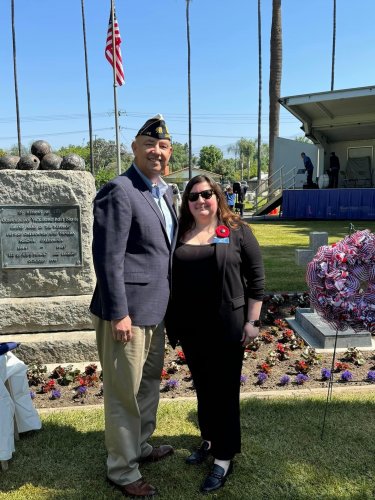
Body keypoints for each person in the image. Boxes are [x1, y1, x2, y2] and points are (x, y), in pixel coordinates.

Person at [90, 114, 178, 498]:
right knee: (123, 393)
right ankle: (123, 470)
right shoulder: (120, 190)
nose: (156, 151)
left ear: (169, 152)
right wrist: (118, 312)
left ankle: (139, 447)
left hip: (155, 310)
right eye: (149, 144)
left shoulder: (165, 193)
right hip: (126, 312)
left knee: (147, 387)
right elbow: (108, 258)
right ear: (135, 148)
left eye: (163, 146)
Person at [166, 175, 265, 494]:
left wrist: (253, 321)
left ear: (217, 196)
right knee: (204, 388)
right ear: (187, 202)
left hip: (227, 326)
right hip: (192, 328)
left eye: (206, 194)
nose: (200, 200)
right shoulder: (183, 233)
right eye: (193, 196)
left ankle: (224, 457)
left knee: (224, 392)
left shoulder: (232, 231)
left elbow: (256, 279)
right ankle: (209, 440)